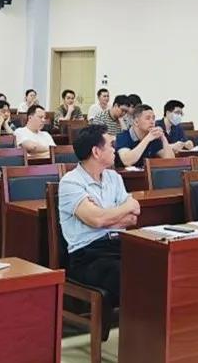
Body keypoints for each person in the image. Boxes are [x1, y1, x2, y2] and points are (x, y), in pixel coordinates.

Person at [59, 124, 141, 306]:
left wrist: (105, 217)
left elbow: (133, 215)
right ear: (96, 152)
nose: (115, 149)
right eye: (111, 145)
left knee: (156, 263)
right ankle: (138, 323)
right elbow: (97, 219)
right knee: (128, 274)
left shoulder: (114, 177)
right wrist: (118, 212)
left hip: (119, 245)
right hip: (88, 255)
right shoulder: (71, 182)